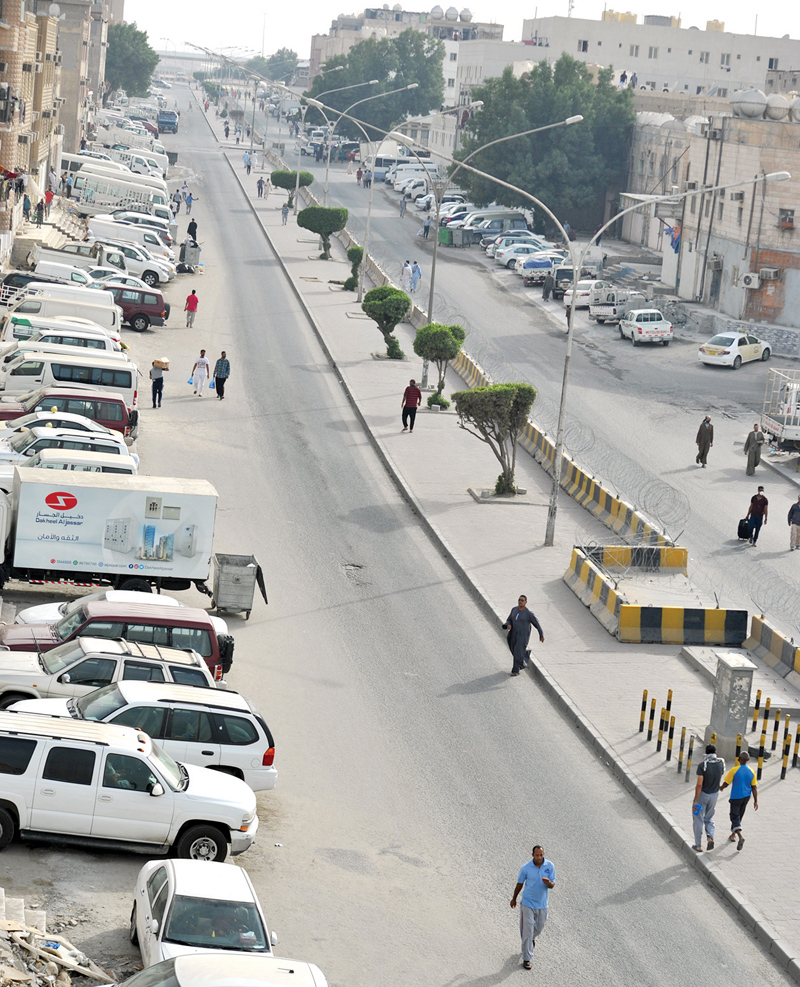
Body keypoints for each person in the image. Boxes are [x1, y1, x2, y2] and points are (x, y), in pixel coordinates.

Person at [510, 845, 556, 969]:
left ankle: (531, 939)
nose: (540, 857)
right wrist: (514, 898)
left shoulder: (549, 866)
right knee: (527, 931)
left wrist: (548, 883)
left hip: (542, 905)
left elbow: (552, 884)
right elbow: (519, 884)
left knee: (538, 929)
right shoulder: (526, 868)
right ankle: (527, 958)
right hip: (527, 904)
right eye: (537, 855)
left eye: (541, 855)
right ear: (532, 855)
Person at [720, 751, 758, 851]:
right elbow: (754, 787)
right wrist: (755, 801)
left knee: (734, 815)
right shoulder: (752, 771)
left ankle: (740, 836)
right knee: (739, 815)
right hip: (746, 797)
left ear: (738, 759)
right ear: (748, 760)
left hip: (736, 797)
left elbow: (726, 783)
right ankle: (733, 834)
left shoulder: (734, 770)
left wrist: (721, 787)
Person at [691, 743, 725, 852]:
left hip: (703, 796)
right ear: (715, 752)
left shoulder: (702, 765)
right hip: (714, 795)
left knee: (698, 819)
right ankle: (710, 837)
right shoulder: (721, 763)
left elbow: (699, 784)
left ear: (705, 753)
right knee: (709, 818)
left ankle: (698, 845)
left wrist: (695, 800)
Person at [502, 595, 544, 676]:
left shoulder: (529, 613)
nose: (520, 601)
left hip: (522, 637)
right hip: (513, 634)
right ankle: (525, 655)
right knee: (514, 650)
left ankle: (515, 670)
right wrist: (508, 625)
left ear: (525, 602)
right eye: (519, 600)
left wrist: (541, 635)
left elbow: (537, 624)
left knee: (517, 652)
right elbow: (509, 620)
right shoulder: (514, 610)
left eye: (522, 600)